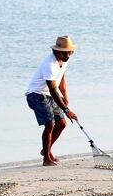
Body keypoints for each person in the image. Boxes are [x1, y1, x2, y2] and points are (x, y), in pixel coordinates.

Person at [25, 35, 79, 166]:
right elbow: (53, 89)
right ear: (56, 51)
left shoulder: (64, 60)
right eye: (66, 52)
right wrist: (67, 110)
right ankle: (46, 159)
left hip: (49, 95)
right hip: (36, 95)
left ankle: (46, 150)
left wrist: (65, 95)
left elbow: (61, 78)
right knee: (50, 124)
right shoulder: (49, 65)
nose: (69, 55)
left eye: (70, 52)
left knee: (61, 124)